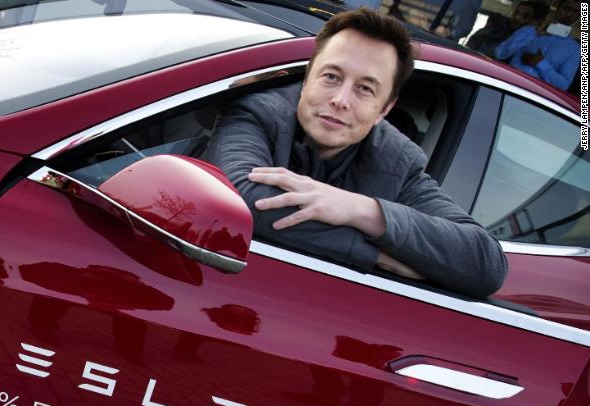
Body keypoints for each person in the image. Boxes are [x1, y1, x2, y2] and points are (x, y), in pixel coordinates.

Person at [202, 8, 507, 299]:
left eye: (365, 89)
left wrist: (364, 211)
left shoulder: (397, 161)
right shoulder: (257, 112)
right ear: (308, 76)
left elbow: (487, 263)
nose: (340, 100)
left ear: (384, 109)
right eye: (331, 77)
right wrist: (378, 256)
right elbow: (239, 198)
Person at [495, 0, 580, 90]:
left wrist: (540, 63)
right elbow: (500, 53)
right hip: (507, 84)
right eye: (567, 9)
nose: (569, 14)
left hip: (535, 96)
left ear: (578, 16)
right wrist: (535, 32)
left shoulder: (574, 48)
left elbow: (563, 85)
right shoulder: (529, 31)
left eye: (575, 12)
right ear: (558, 9)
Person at [466, 1, 548, 59]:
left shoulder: (527, 39)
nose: (517, 18)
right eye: (516, 13)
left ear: (532, 21)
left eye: (525, 16)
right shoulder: (496, 28)